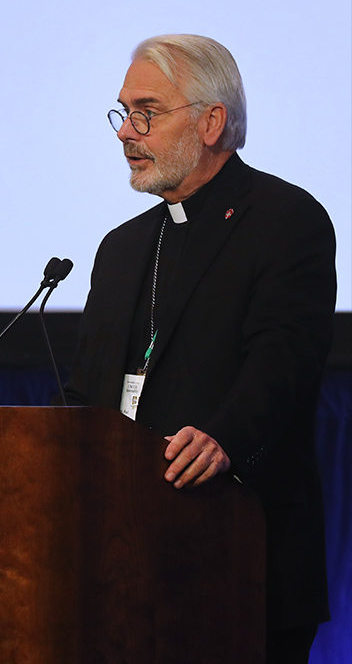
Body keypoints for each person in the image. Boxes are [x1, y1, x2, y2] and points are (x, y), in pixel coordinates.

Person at [63, 34, 335, 663]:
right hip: (122, 563)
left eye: (146, 113)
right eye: (123, 113)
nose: (127, 132)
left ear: (212, 122)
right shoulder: (123, 247)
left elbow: (284, 358)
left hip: (241, 553)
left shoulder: (287, 219)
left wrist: (223, 437)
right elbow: (89, 389)